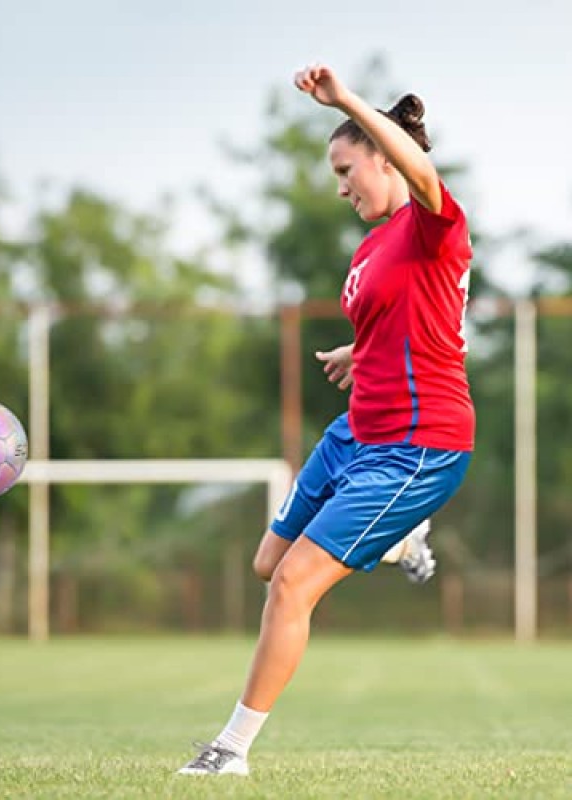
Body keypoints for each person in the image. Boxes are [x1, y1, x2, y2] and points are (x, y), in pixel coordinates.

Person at [178, 62, 474, 777]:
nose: (342, 186)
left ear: (383, 154)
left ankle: (231, 751)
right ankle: (401, 541)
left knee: (294, 585)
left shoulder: (435, 224)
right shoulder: (371, 245)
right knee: (268, 564)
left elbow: (422, 178)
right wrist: (359, 350)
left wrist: (344, 100)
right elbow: (411, 318)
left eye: (348, 168)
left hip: (418, 447)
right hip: (355, 435)